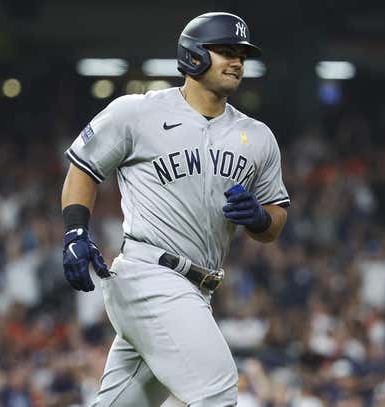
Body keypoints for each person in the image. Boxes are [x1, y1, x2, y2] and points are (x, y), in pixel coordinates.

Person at [61, 11, 290, 406]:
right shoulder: (137, 112)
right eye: (226, 51)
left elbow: (275, 223)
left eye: (242, 54)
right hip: (150, 274)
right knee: (217, 390)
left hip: (197, 290)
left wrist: (261, 217)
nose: (237, 61)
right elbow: (84, 167)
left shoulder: (257, 137)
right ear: (194, 56)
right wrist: (75, 232)